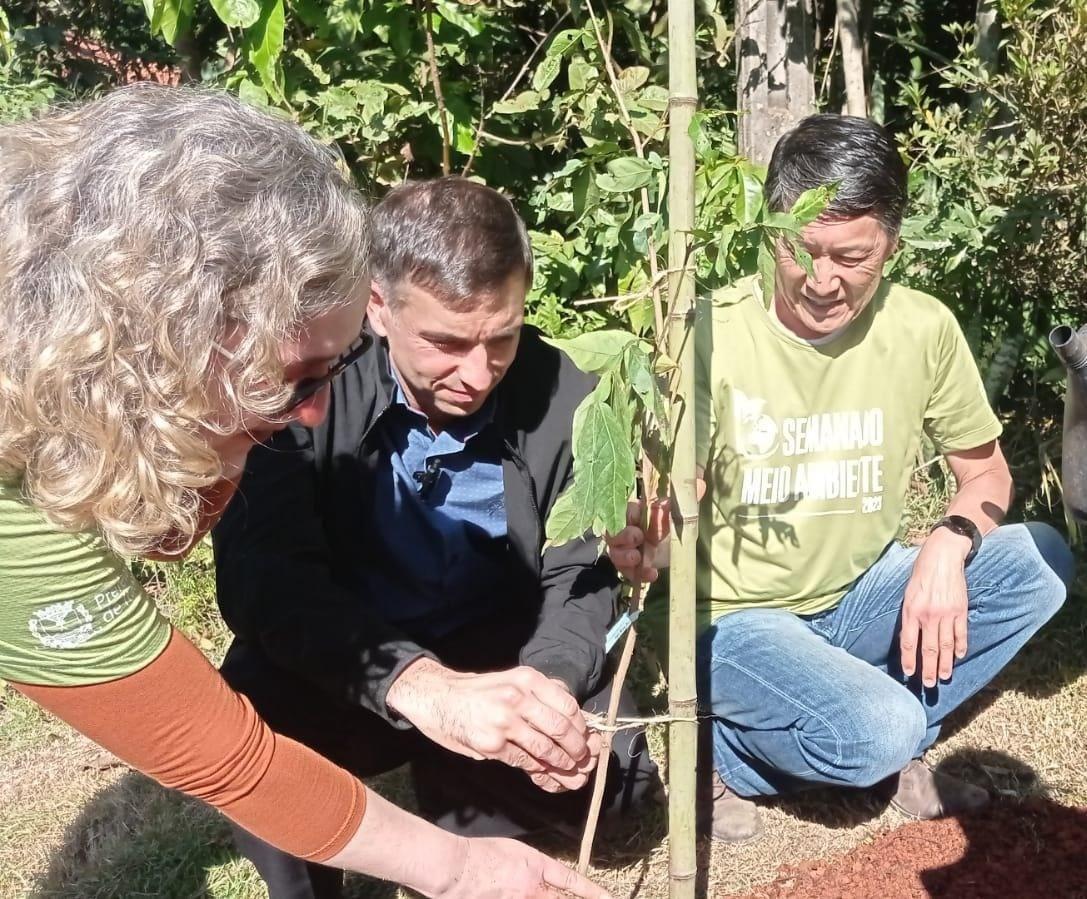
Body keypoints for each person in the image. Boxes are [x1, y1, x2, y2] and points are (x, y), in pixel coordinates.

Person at [0, 84, 610, 899]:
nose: (316, 411)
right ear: (166, 331)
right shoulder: (23, 525)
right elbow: (253, 656)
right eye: (297, 379)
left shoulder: (42, 490)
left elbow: (222, 754)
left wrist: (461, 861)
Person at [607, 114, 1073, 842]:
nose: (821, 280)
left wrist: (948, 544)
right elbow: (678, 506)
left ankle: (853, 720)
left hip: (861, 595)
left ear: (890, 241)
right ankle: (732, 749)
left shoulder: (920, 328)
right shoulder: (707, 333)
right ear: (771, 227)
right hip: (733, 619)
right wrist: (648, 541)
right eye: (801, 249)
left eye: (851, 257)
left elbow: (983, 471)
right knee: (880, 729)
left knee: (1038, 563)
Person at [212, 175, 661, 899]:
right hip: (353, 658)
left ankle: (454, 779)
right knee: (250, 723)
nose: (477, 374)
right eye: (448, 343)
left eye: (502, 338)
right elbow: (264, 581)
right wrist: (416, 685)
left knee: (616, 794)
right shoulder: (304, 386)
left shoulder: (564, 394)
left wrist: (542, 689)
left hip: (498, 656)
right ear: (379, 308)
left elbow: (581, 572)